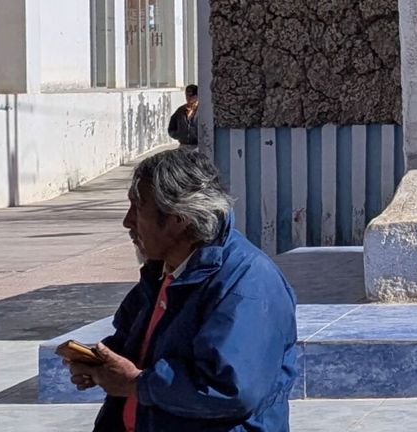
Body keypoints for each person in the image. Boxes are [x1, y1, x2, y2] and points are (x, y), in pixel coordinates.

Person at [58, 145, 299, 430]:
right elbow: (137, 344)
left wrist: (136, 384)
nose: (127, 221)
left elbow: (231, 390)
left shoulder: (247, 283)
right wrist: (101, 363)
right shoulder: (163, 272)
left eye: (138, 208)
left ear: (178, 218)